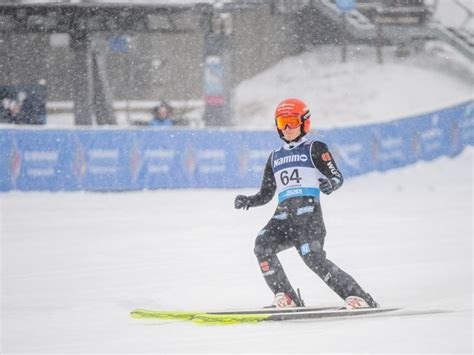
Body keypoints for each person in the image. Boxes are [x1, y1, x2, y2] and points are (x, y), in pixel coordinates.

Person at [234, 98, 378, 309]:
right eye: (283, 123)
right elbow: (266, 194)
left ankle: (358, 297)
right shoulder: (274, 156)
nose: (288, 128)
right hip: (283, 218)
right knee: (262, 245)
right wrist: (249, 201)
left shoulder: (315, 148)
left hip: (308, 217)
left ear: (304, 123)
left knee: (313, 257)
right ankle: (286, 297)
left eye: (292, 121)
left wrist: (330, 184)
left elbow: (337, 177)